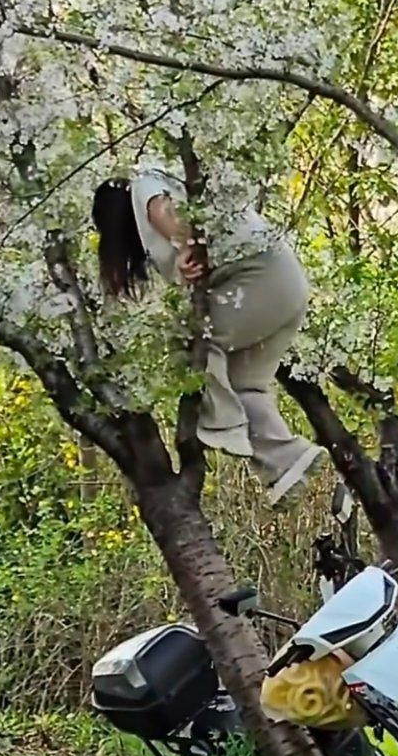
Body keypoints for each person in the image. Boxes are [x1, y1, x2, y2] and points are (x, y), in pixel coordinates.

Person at [91, 169, 328, 506]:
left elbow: (159, 207)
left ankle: (222, 429)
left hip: (259, 277)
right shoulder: (177, 187)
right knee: (241, 384)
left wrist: (185, 241)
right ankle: (288, 461)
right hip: (285, 284)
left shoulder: (145, 183)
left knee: (192, 340)